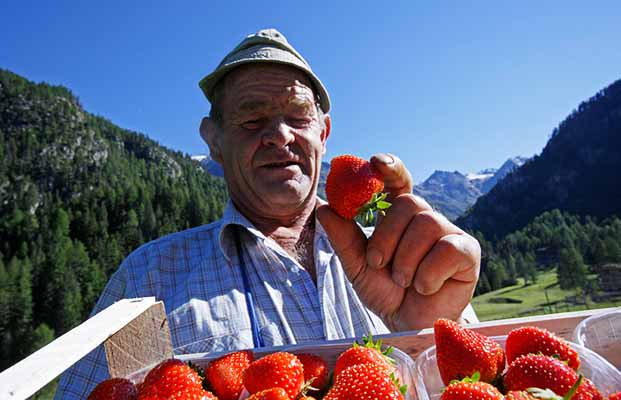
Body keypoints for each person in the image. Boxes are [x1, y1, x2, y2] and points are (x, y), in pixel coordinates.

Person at [55, 28, 480, 399]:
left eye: (298, 117)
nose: (279, 135)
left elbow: (483, 385)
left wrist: (426, 331)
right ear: (213, 141)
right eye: (251, 119)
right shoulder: (147, 278)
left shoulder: (401, 255)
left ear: (324, 133)